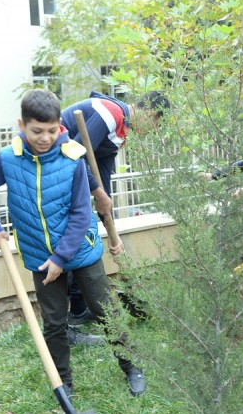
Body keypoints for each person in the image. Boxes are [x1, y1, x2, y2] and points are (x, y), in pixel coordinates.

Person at [0, 89, 147, 397]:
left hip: (81, 249)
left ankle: (132, 366)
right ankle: (64, 384)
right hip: (38, 252)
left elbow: (81, 214)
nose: (45, 138)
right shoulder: (9, 158)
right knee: (53, 322)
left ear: (59, 126)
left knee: (105, 311)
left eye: (52, 130)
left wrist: (61, 258)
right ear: (22, 125)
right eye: (37, 131)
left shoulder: (72, 159)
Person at [59, 90, 168, 346]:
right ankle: (65, 324)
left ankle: (79, 311)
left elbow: (102, 173)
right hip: (54, 174)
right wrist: (98, 194)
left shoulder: (120, 132)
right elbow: (73, 155)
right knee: (70, 240)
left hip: (71, 181)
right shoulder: (109, 114)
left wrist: (107, 216)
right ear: (150, 113)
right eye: (157, 123)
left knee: (84, 238)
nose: (154, 130)